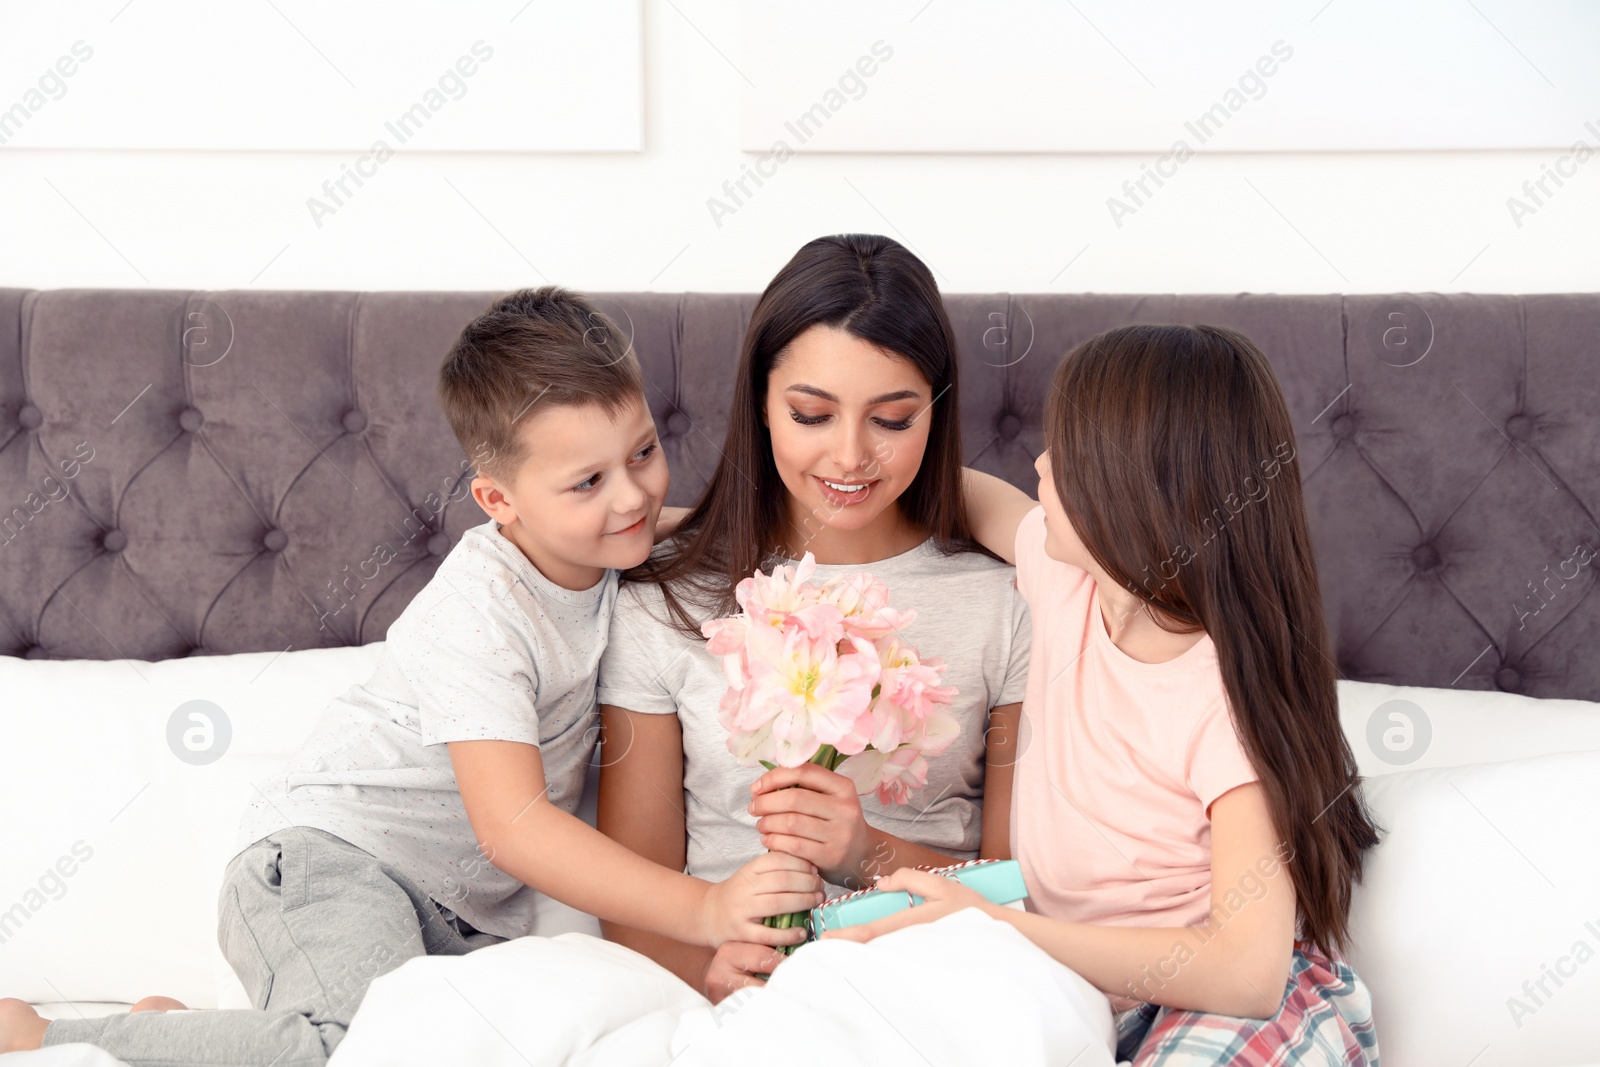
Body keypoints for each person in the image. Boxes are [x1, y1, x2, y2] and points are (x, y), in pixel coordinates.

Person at [0, 287, 820, 1063]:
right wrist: (706, 908)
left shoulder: (619, 539)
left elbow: (753, 527)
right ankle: (38, 1035)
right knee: (355, 1049)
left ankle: (187, 1037)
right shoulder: (481, 609)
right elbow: (516, 826)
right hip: (329, 863)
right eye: (588, 482)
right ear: (499, 501)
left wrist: (946, 505)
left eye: (643, 451)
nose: (634, 495)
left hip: (454, 917)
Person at [827, 323, 1382, 1066]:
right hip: (1083, 991)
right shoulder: (1067, 585)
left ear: (1137, 491)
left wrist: (996, 924)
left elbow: (1248, 971)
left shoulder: (1223, 693)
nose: (1040, 461)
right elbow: (959, 490)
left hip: (1233, 999)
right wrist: (726, 517)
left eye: (1069, 449)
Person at [596, 235, 1031, 1004]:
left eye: (893, 420)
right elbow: (633, 897)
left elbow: (1021, 889)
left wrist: (866, 851)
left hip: (941, 978)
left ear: (936, 413)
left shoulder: (1004, 603)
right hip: (737, 996)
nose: (850, 455)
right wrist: (706, 970)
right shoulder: (666, 604)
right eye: (811, 413)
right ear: (762, 403)